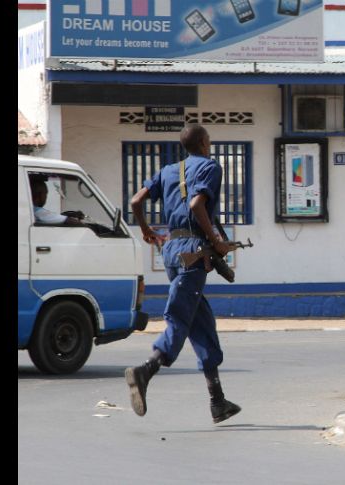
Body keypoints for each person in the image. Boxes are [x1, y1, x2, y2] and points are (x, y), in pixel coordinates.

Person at [124, 123, 241, 424]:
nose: (210, 145)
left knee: (199, 320)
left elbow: (136, 201)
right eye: (209, 141)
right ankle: (145, 370)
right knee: (179, 315)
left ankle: (217, 400)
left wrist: (147, 229)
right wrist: (217, 242)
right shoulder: (211, 168)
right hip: (194, 253)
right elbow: (197, 204)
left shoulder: (168, 170)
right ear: (203, 143)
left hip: (172, 250)